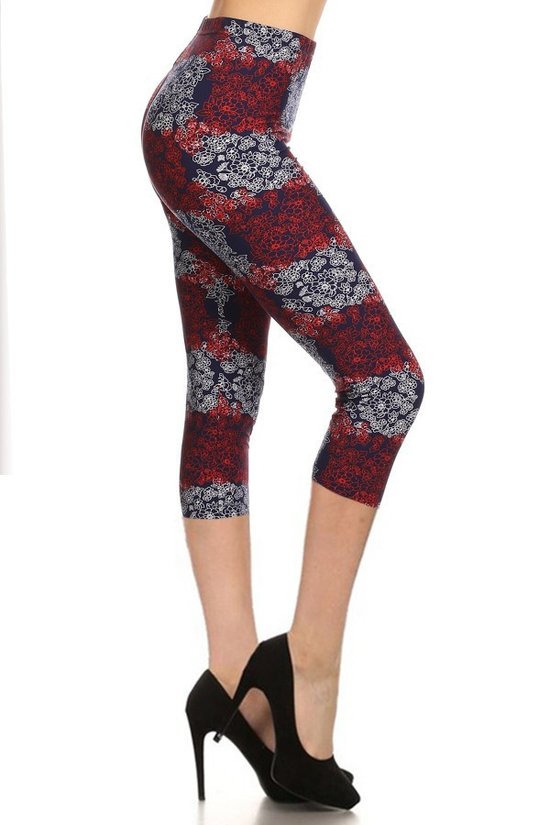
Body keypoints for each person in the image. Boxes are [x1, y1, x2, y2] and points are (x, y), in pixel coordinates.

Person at [141, 0, 425, 809]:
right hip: (225, 123)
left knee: (222, 396)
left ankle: (233, 668)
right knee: (384, 383)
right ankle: (307, 667)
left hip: (205, 107)